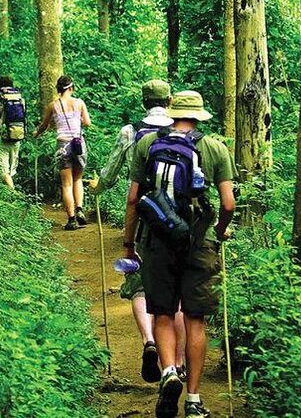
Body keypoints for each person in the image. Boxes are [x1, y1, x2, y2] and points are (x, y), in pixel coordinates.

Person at [123, 91, 236, 418]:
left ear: (170, 113)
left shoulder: (146, 145)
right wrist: (217, 231)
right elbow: (228, 204)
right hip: (198, 243)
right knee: (195, 318)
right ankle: (194, 400)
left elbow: (133, 200)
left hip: (157, 241)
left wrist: (130, 245)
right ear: (199, 116)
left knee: (162, 313)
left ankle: (169, 370)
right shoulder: (214, 147)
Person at [88, 79, 187, 382]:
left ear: (144, 101)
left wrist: (98, 187)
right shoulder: (185, 131)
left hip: (146, 216)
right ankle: (179, 362)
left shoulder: (130, 131)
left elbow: (112, 171)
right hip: (180, 221)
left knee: (140, 283)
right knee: (178, 290)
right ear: (170, 100)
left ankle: (150, 341)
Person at [33, 76, 92, 230]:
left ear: (59, 89)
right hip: (78, 144)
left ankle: (71, 219)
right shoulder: (79, 103)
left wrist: (36, 134)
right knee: (78, 179)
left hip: (62, 145)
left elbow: (44, 126)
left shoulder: (53, 106)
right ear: (71, 88)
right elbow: (87, 123)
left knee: (66, 184)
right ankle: (79, 210)